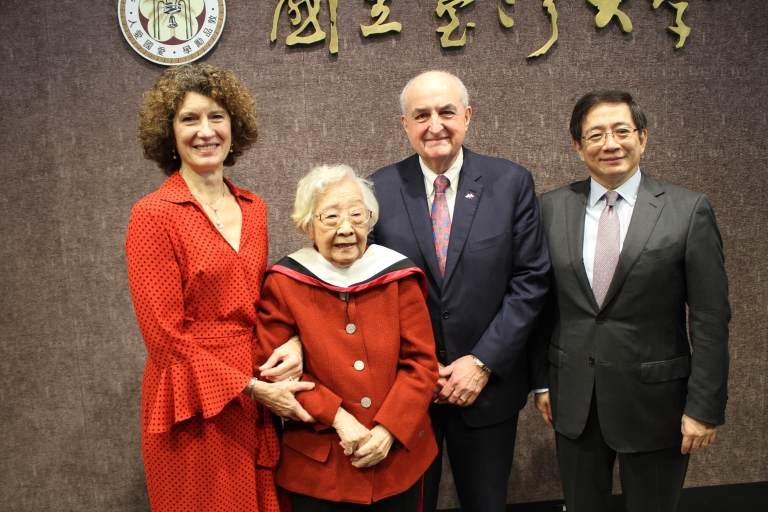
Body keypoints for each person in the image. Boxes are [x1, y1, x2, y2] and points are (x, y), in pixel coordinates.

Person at [126, 63, 314, 512]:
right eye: (189, 119)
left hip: (256, 391)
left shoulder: (255, 208)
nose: (205, 131)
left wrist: (292, 342)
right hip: (190, 399)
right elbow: (164, 339)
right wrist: (248, 387)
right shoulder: (153, 214)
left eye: (217, 117)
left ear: (235, 126)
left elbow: (263, 303)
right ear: (167, 133)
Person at [532, 90, 730, 512]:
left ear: (642, 137)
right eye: (596, 134)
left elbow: (711, 318)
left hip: (657, 403)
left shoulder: (687, 209)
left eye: (622, 131)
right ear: (577, 146)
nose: (610, 144)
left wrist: (705, 406)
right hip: (575, 399)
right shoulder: (550, 208)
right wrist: (543, 381)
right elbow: (541, 306)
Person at [367, 70, 551, 512]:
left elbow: (530, 280)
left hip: (485, 390)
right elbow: (370, 289)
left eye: (447, 112)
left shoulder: (510, 183)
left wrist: (482, 363)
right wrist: (422, 367)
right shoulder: (377, 190)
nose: (436, 125)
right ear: (404, 124)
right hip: (407, 393)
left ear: (467, 117)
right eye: (422, 115)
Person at [256, 164, 439, 511]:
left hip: (397, 460)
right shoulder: (283, 283)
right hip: (320, 466)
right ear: (307, 223)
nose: (346, 228)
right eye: (330, 217)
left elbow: (421, 364)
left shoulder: (398, 276)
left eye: (357, 215)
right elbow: (275, 372)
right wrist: (338, 417)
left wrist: (389, 430)